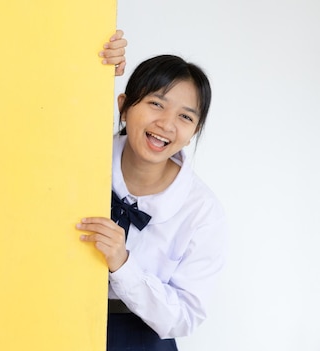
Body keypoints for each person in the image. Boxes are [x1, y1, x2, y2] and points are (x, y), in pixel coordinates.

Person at [78, 31, 227, 351]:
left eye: (185, 116)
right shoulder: (80, 160)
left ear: (193, 132)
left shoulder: (201, 210)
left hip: (142, 335)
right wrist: (92, 63)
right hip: (55, 318)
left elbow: (186, 316)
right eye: (156, 104)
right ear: (124, 107)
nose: (166, 124)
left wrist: (123, 264)